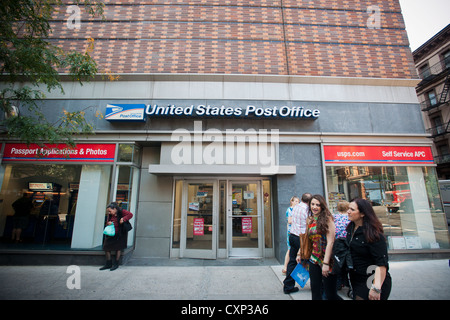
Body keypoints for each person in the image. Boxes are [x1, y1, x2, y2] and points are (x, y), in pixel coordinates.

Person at [346, 198, 391, 300]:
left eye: (352, 210)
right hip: (356, 278)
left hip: (372, 278)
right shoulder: (351, 228)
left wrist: (376, 288)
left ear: (362, 214)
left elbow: (382, 264)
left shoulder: (374, 235)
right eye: (348, 208)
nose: (348, 211)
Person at [307, 194, 341, 300]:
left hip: (328, 260)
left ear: (322, 206)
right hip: (314, 259)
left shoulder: (328, 219)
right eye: (312, 204)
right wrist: (300, 252)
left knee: (331, 294)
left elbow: (330, 242)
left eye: (317, 205)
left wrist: (325, 264)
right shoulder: (311, 220)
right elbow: (309, 239)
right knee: (315, 291)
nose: (314, 207)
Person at [283, 192, 311, 294]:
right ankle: (317, 284)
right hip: (302, 238)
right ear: (309, 201)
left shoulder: (295, 207)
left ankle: (288, 286)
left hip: (293, 235)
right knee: (310, 261)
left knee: (292, 261)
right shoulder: (307, 210)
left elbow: (290, 221)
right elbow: (309, 225)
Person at [100, 202, 133, 271]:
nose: (109, 213)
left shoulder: (121, 211)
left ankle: (116, 264)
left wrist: (123, 219)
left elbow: (130, 214)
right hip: (111, 233)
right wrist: (108, 223)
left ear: (114, 209)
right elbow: (108, 221)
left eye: (110, 211)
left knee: (118, 248)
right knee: (106, 247)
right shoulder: (110, 215)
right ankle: (108, 263)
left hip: (120, 233)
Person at [332, 200, 350, 290]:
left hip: (337, 244)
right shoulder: (349, 218)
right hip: (347, 244)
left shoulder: (334, 217)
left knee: (338, 263)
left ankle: (338, 283)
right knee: (347, 263)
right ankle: (346, 281)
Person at [282, 196, 300, 274]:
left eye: (298, 201)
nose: (297, 202)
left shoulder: (297, 210)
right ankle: (285, 267)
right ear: (291, 202)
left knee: (293, 250)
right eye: (295, 201)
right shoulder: (290, 210)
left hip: (296, 231)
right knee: (290, 249)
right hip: (291, 232)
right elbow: (289, 221)